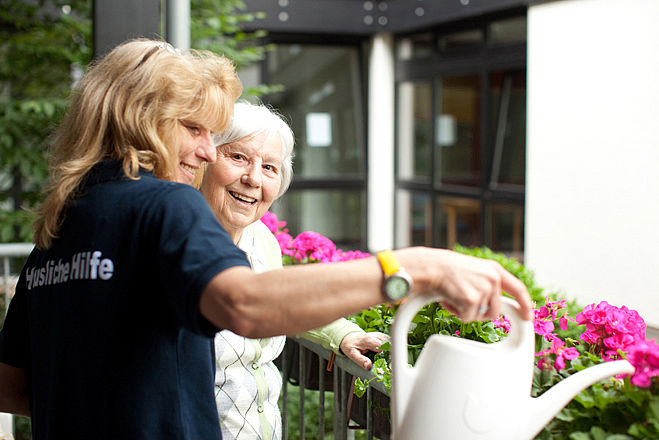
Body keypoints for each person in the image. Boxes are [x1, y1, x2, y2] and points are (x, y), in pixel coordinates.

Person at [0, 38, 533, 440]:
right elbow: (246, 304)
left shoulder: (63, 223)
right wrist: (415, 269)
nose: (208, 151)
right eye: (194, 128)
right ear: (140, 119)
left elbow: (15, 386)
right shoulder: (163, 202)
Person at [195, 101, 388, 440]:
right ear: (204, 159)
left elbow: (280, 300)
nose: (253, 178)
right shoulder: (178, 241)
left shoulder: (261, 240)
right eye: (238, 157)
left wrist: (342, 335)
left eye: (269, 167)